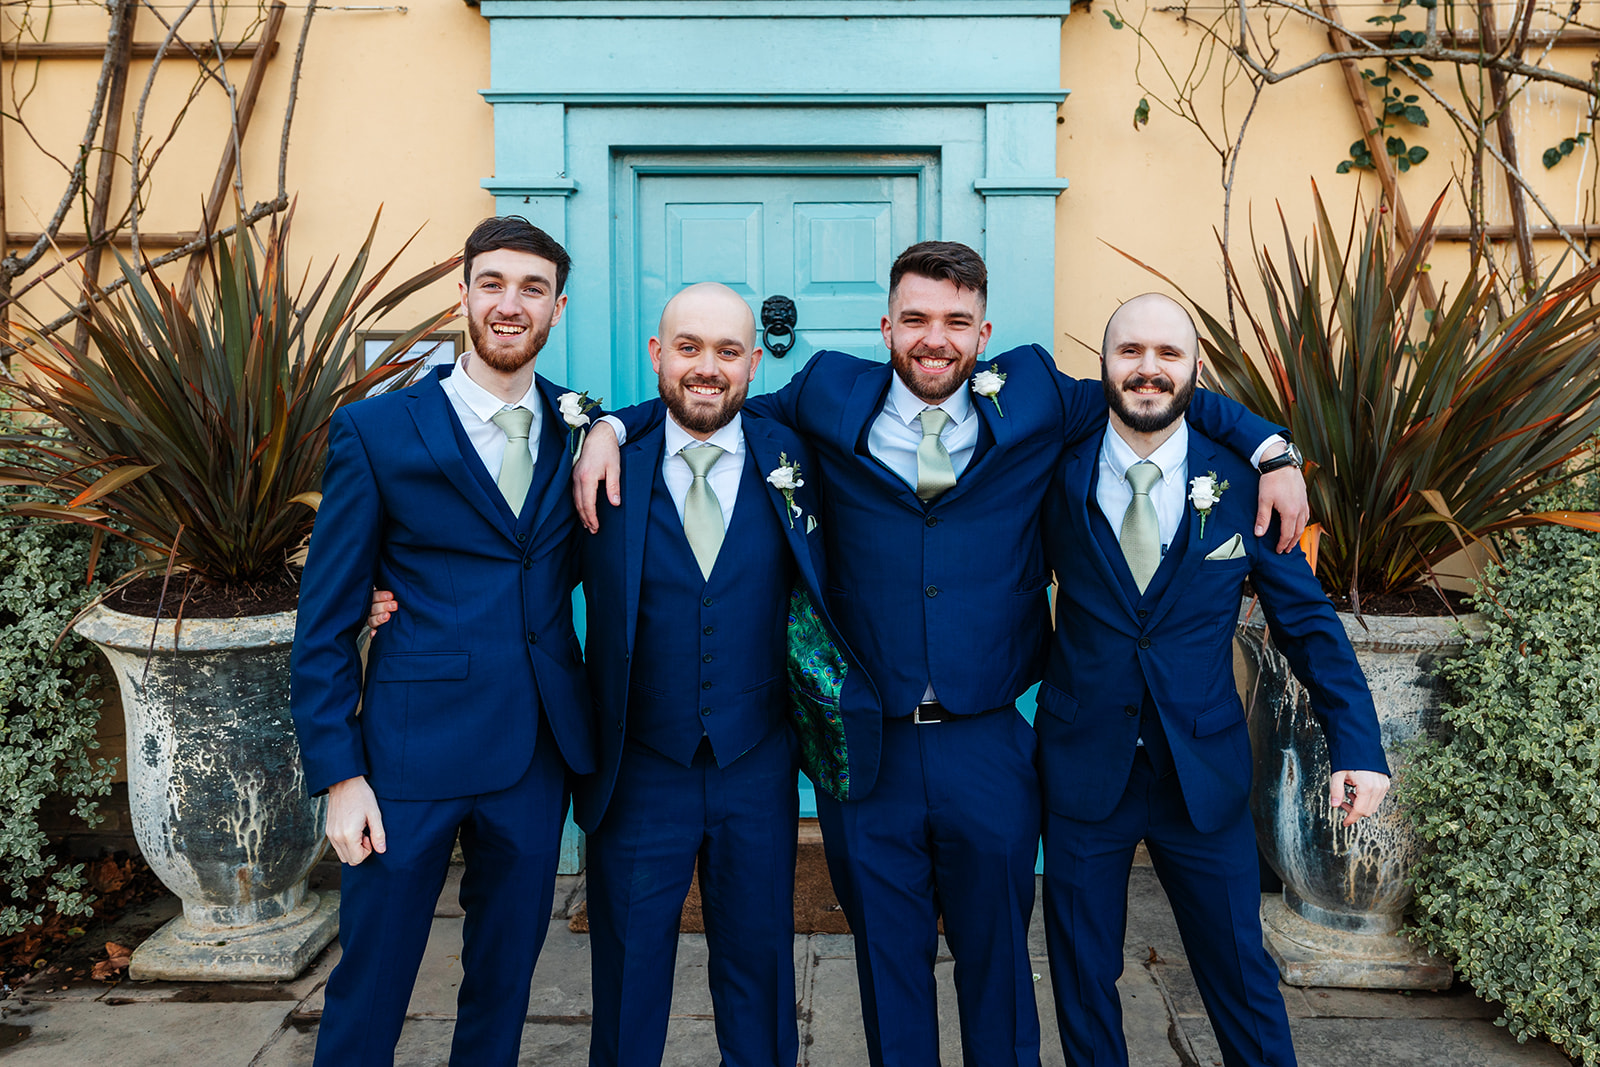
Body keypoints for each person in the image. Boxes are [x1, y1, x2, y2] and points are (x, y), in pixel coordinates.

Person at [576, 243, 1309, 1067]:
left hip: (989, 744)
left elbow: (1151, 396)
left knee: (999, 970)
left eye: (957, 322)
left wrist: (1269, 448)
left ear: (983, 331)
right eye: (917, 319)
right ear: (886, 326)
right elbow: (711, 400)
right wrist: (612, 423)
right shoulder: (826, 392)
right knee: (889, 975)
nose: (936, 338)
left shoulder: (1032, 392)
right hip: (872, 749)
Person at [1035, 292, 1390, 1067]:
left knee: (1239, 971)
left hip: (1202, 771)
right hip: (1082, 764)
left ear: (1197, 369)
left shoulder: (1243, 481)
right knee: (1083, 976)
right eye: (1130, 351)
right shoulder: (1055, 463)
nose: (1148, 369)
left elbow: (1307, 624)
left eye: (1169, 354)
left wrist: (1358, 744)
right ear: (1104, 364)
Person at [290, 217, 596, 1067]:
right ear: (462, 294)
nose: (511, 304)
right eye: (492, 283)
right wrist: (340, 774)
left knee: (504, 983)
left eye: (532, 288)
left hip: (535, 752)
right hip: (405, 756)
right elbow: (323, 621)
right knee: (373, 982)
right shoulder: (376, 431)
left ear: (557, 306)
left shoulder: (582, 427)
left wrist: (610, 428)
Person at [574, 282, 873, 1066]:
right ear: (657, 355)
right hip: (638, 768)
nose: (708, 368)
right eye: (689, 347)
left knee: (760, 974)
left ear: (753, 362)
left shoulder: (793, 450)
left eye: (728, 351)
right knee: (629, 980)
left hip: (756, 765)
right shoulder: (606, 461)